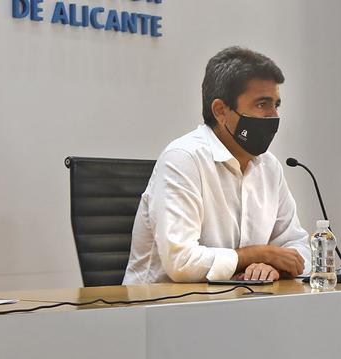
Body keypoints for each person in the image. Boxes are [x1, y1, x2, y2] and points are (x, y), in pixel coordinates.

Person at [124, 46, 310, 284]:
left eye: (276, 105)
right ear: (221, 111)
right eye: (262, 104)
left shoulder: (269, 167)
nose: (273, 115)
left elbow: (297, 247)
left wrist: (271, 266)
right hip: (156, 309)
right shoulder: (183, 159)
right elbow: (181, 262)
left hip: (233, 306)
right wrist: (257, 254)